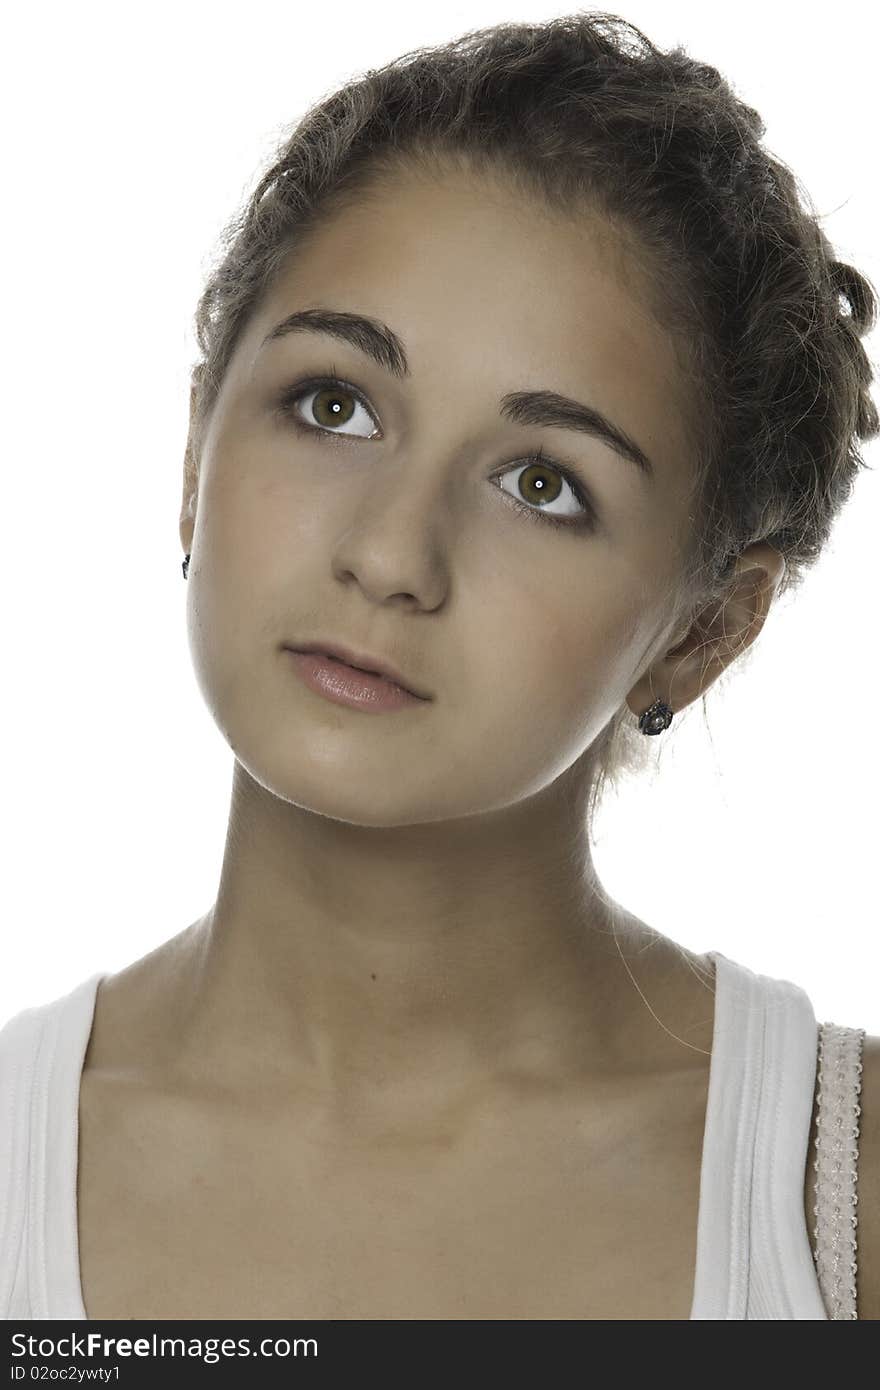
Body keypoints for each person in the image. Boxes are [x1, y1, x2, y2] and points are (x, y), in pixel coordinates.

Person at [2, 11, 877, 1321]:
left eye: (543, 483)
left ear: (708, 631)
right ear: (195, 449)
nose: (392, 554)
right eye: (335, 403)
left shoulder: (844, 1203)